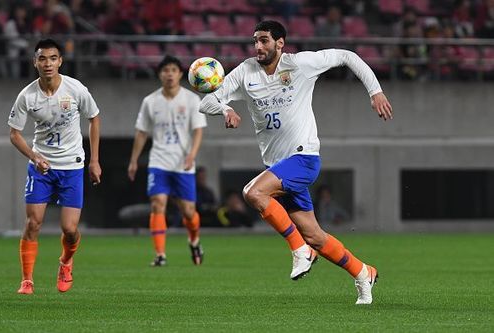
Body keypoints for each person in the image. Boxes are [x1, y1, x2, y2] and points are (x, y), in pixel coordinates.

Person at [199, 20, 393, 304]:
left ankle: (299, 249)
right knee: (316, 236)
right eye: (255, 40)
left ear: (280, 43)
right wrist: (225, 108)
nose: (258, 46)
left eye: (264, 40)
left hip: (303, 158)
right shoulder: (245, 71)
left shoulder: (301, 64)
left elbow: (347, 56)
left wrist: (375, 91)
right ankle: (363, 272)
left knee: (253, 193)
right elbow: (205, 102)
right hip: (278, 168)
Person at [8, 39, 102, 295]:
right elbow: (14, 134)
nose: (47, 63)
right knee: (33, 223)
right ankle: (27, 280)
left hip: (72, 166)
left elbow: (94, 118)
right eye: (42, 58)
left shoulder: (75, 89)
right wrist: (34, 156)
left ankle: (66, 261)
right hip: (41, 168)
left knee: (70, 230)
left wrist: (94, 160)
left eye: (52, 58)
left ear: (60, 61)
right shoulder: (27, 96)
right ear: (35, 62)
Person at [128, 55, 207, 267]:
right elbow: (141, 132)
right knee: (157, 204)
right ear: (160, 74)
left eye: (173, 70)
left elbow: (198, 130)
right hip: (158, 161)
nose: (169, 73)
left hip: (183, 162)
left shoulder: (191, 99)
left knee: (188, 211)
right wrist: (134, 160)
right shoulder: (150, 101)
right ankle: (160, 254)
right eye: (165, 70)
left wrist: (192, 154)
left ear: (180, 74)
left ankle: (194, 240)